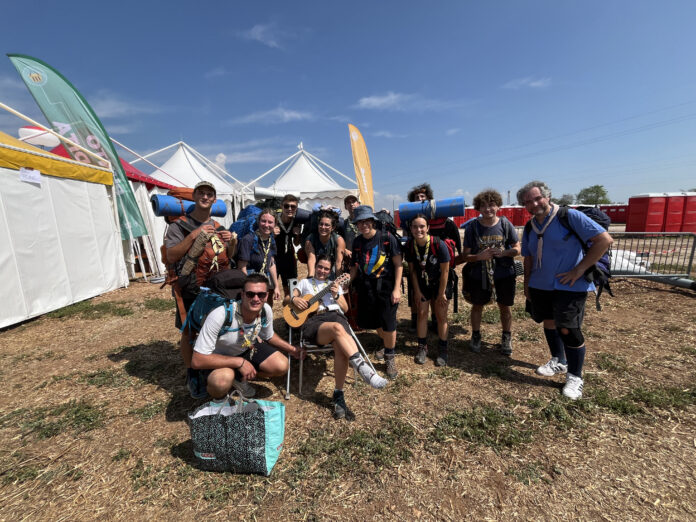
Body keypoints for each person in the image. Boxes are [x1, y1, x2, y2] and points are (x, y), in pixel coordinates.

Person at [517, 181, 613, 400]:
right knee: (549, 322)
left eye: (537, 198)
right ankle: (558, 360)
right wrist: (527, 284)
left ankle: (575, 376)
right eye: (528, 202)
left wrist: (579, 270)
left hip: (570, 286)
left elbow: (604, 240)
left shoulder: (568, 216)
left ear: (547, 196)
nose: (534, 203)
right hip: (541, 284)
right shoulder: (531, 226)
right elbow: (529, 257)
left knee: (569, 329)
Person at [290, 255, 387, 419]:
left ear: (330, 271)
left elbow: (345, 308)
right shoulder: (305, 283)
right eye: (320, 267)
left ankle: (338, 394)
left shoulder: (333, 285)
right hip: (315, 323)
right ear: (315, 267)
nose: (322, 271)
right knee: (337, 328)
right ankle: (363, 368)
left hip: (336, 317)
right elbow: (288, 299)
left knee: (341, 348)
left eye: (326, 269)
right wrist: (294, 299)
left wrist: (335, 295)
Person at [164, 180, 234, 399]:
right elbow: (171, 255)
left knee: (214, 327)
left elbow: (228, 258)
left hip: (215, 287)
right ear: (194, 197)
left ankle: (210, 365)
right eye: (201, 193)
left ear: (214, 200)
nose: (205, 197)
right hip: (188, 286)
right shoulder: (179, 226)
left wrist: (231, 242)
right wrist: (193, 236)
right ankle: (192, 372)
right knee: (188, 330)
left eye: (209, 194)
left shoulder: (219, 227)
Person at [191, 273, 301, 400]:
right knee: (221, 382)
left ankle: (238, 377)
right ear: (242, 294)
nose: (256, 299)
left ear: (267, 296)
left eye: (261, 294)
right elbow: (197, 360)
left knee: (282, 365)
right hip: (218, 358)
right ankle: (223, 385)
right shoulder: (220, 314)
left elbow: (269, 336)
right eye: (250, 294)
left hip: (246, 348)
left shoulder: (265, 310)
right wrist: (239, 362)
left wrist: (292, 349)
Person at [462, 189, 521, 356]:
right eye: (484, 206)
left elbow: (517, 248)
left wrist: (504, 253)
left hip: (504, 273)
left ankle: (506, 337)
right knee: (477, 305)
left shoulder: (505, 224)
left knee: (505, 306)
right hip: (479, 275)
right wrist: (479, 256)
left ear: (498, 206)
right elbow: (465, 255)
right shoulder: (473, 227)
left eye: (491, 205)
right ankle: (475, 335)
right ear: (478, 208)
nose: (488, 209)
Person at [349, 205, 403, 379]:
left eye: (366, 221)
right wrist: (347, 282)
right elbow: (355, 266)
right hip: (367, 288)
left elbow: (398, 265)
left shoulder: (387, 238)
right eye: (360, 222)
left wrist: (396, 289)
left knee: (388, 323)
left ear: (372, 221)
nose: (363, 225)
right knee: (375, 322)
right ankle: (387, 343)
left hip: (386, 288)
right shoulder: (357, 242)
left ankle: (390, 356)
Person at [404, 214, 452, 366]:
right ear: (410, 229)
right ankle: (422, 347)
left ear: (428, 228)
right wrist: (417, 292)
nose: (419, 229)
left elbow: (445, 271)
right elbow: (411, 271)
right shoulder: (410, 246)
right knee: (422, 314)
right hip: (422, 284)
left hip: (440, 284)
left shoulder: (439, 244)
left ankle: (443, 349)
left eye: (422, 226)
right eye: (415, 226)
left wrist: (441, 293)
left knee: (441, 315)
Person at [237, 208, 282, 304]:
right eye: (263, 221)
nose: (266, 225)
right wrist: (249, 289)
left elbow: (271, 263)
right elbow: (242, 267)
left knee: (266, 307)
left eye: (270, 222)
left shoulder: (271, 239)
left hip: (264, 280)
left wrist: (276, 286)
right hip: (250, 282)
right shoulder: (248, 240)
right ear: (258, 222)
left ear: (275, 225)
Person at [274, 194, 303, 298]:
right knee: (269, 290)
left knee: (290, 290)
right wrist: (272, 234)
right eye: (286, 206)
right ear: (281, 206)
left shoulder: (296, 221)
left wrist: (297, 235)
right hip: (274, 258)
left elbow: (296, 243)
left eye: (293, 206)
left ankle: (288, 313)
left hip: (289, 258)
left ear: (296, 208)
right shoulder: (274, 220)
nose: (289, 209)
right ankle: (265, 314)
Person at [304, 209, 346, 280]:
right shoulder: (310, 239)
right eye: (321, 224)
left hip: (332, 270)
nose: (323, 227)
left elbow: (338, 262)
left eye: (327, 225)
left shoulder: (339, 240)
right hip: (317, 269)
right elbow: (312, 259)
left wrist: (339, 281)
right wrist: (311, 278)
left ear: (333, 228)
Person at [342, 194, 360, 265]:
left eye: (353, 201)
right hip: (350, 260)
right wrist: (344, 250)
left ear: (358, 204)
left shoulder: (365, 222)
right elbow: (339, 240)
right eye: (348, 202)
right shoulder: (344, 223)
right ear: (346, 207)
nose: (351, 204)